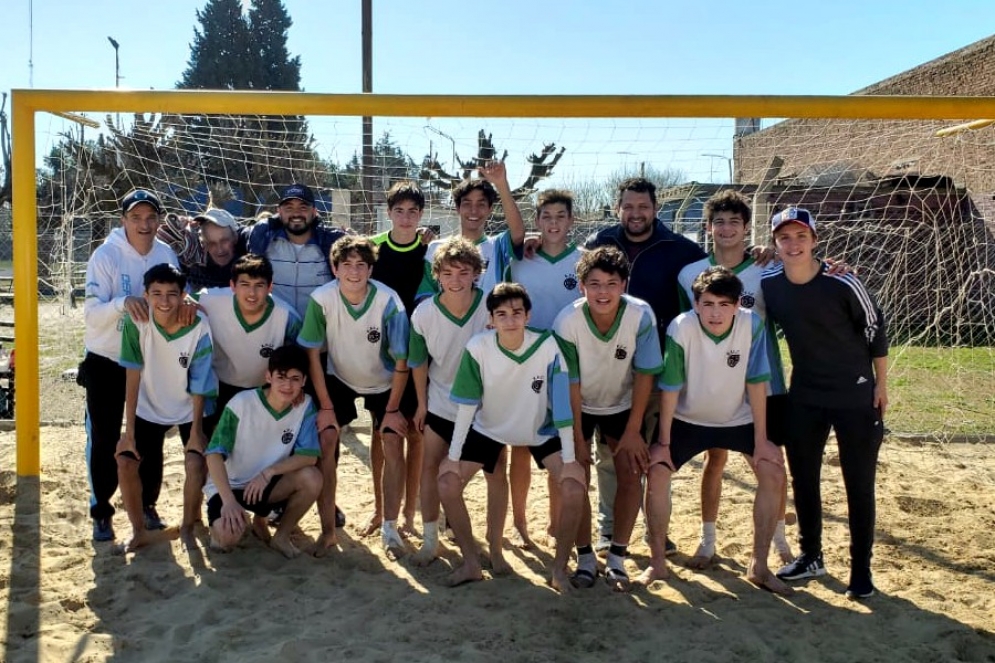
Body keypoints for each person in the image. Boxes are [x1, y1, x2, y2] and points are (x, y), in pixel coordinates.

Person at [637, 266, 791, 594]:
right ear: (695, 304)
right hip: (689, 419)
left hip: (739, 418)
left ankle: (759, 565)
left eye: (724, 304)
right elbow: (671, 387)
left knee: (773, 471)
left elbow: (757, 381)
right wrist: (663, 442)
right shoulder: (681, 328)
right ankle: (658, 562)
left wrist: (762, 440)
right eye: (707, 304)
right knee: (658, 470)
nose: (715, 312)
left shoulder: (752, 324)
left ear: (737, 305)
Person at [762, 207, 888, 600]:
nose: (793, 243)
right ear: (775, 243)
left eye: (801, 236)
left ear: (815, 240)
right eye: (784, 237)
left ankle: (861, 570)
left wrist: (881, 384)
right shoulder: (770, 283)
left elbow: (875, 329)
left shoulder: (842, 280)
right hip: (806, 394)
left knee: (858, 483)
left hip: (855, 393)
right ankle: (811, 555)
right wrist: (755, 252)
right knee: (804, 478)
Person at [584, 177, 705, 553]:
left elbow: (719, 280)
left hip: (656, 369)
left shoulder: (682, 250)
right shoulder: (598, 243)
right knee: (611, 453)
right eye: (628, 207)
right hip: (608, 369)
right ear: (618, 208)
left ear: (655, 209)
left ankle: (656, 530)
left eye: (643, 207)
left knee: (653, 453)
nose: (636, 214)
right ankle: (608, 527)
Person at [438, 283, 586, 591]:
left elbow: (561, 406)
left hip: (539, 430)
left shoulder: (547, 345)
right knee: (447, 482)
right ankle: (471, 563)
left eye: (517, 312)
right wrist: (453, 458)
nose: (510, 320)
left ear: (528, 315)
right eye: (501, 314)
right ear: (490, 319)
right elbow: (466, 404)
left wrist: (570, 461)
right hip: (489, 429)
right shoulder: (478, 347)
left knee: (574, 487)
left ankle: (559, 571)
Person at [676, 189, 793, 568]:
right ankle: (708, 540)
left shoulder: (768, 268)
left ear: (747, 228)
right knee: (715, 458)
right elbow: (686, 328)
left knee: (771, 460)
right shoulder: (690, 275)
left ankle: (780, 541)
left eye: (734, 222)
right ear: (708, 228)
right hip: (711, 384)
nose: (726, 229)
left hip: (764, 381)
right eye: (719, 222)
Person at [552, 246, 662, 591]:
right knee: (578, 476)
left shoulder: (640, 315)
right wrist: (577, 440)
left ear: (624, 284)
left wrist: (633, 431)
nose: (603, 292)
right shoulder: (567, 321)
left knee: (631, 474)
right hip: (579, 406)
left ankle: (617, 556)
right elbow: (571, 382)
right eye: (594, 283)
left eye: (611, 283)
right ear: (581, 286)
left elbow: (646, 374)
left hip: (623, 403)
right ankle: (585, 557)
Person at [298, 236, 410, 557]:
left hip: (385, 379)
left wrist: (391, 410)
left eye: (361, 264)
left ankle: (390, 528)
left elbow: (402, 361)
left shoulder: (389, 301)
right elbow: (312, 356)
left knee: (391, 437)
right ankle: (328, 529)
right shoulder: (322, 299)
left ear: (371, 269)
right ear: (334, 268)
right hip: (339, 377)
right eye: (346, 264)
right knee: (327, 437)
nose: (354, 271)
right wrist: (327, 407)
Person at [82, 189, 180, 542]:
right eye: (136, 217)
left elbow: (174, 299)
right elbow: (91, 315)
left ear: (159, 220)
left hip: (151, 359)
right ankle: (102, 512)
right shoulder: (105, 255)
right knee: (106, 436)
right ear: (123, 220)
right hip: (107, 359)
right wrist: (124, 302)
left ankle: (148, 505)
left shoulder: (166, 253)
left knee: (150, 437)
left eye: (150, 217)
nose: (144, 224)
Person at [406, 237, 498, 566]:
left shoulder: (491, 305)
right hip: (442, 402)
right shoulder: (425, 313)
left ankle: (494, 546)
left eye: (463, 272)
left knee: (493, 473)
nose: (455, 279)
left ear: (476, 273)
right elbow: (417, 362)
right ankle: (431, 541)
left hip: (486, 408)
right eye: (447, 273)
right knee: (430, 468)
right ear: (437, 275)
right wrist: (421, 404)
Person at [115, 263, 218, 551]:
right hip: (149, 404)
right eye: (156, 293)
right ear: (145, 295)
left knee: (196, 460)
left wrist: (197, 430)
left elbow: (201, 381)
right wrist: (129, 430)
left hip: (189, 405)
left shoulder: (198, 324)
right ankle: (138, 530)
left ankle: (188, 525)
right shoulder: (136, 322)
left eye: (172, 294)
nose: (164, 301)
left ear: (183, 295)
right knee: (125, 460)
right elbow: (132, 374)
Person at [508, 188, 585, 547]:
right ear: (537, 221)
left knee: (560, 444)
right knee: (520, 446)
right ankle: (520, 522)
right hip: (525, 363)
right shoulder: (520, 260)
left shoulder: (584, 262)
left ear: (571, 220)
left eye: (560, 216)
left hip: (569, 367)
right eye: (546, 217)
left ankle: (556, 525)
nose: (553, 223)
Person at [204, 344, 322, 559]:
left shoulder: (305, 406)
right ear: (269, 376)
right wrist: (229, 501)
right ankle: (228, 522)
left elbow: (309, 456)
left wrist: (268, 473)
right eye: (282, 377)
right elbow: (213, 455)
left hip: (265, 485)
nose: (288, 385)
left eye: (295, 379)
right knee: (226, 539)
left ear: (304, 381)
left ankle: (281, 536)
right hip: (230, 485)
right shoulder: (241, 403)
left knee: (312, 478)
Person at [364, 182, 430, 538]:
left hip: (419, 352)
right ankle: (379, 508)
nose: (406, 218)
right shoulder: (372, 249)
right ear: (388, 213)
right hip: (382, 355)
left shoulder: (427, 251)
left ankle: (408, 513)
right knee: (382, 433)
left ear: (421, 215)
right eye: (399, 211)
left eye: (413, 212)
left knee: (416, 434)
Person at [194, 253, 301, 419]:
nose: (252, 293)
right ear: (232, 285)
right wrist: (187, 303)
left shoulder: (287, 318)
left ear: (270, 287)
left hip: (264, 389)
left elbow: (299, 359)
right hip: (219, 385)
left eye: (259, 285)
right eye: (244, 284)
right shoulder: (211, 301)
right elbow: (179, 299)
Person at [245, 183, 347, 317]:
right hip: (276, 331)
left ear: (314, 212)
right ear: (279, 212)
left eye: (303, 207)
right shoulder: (264, 241)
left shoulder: (331, 244)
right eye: (289, 208)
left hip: (319, 332)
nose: (296, 213)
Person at [158, 207, 243, 290]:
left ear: (235, 238)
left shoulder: (248, 264)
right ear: (203, 244)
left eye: (224, 241)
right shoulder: (190, 262)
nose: (219, 249)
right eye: (212, 243)